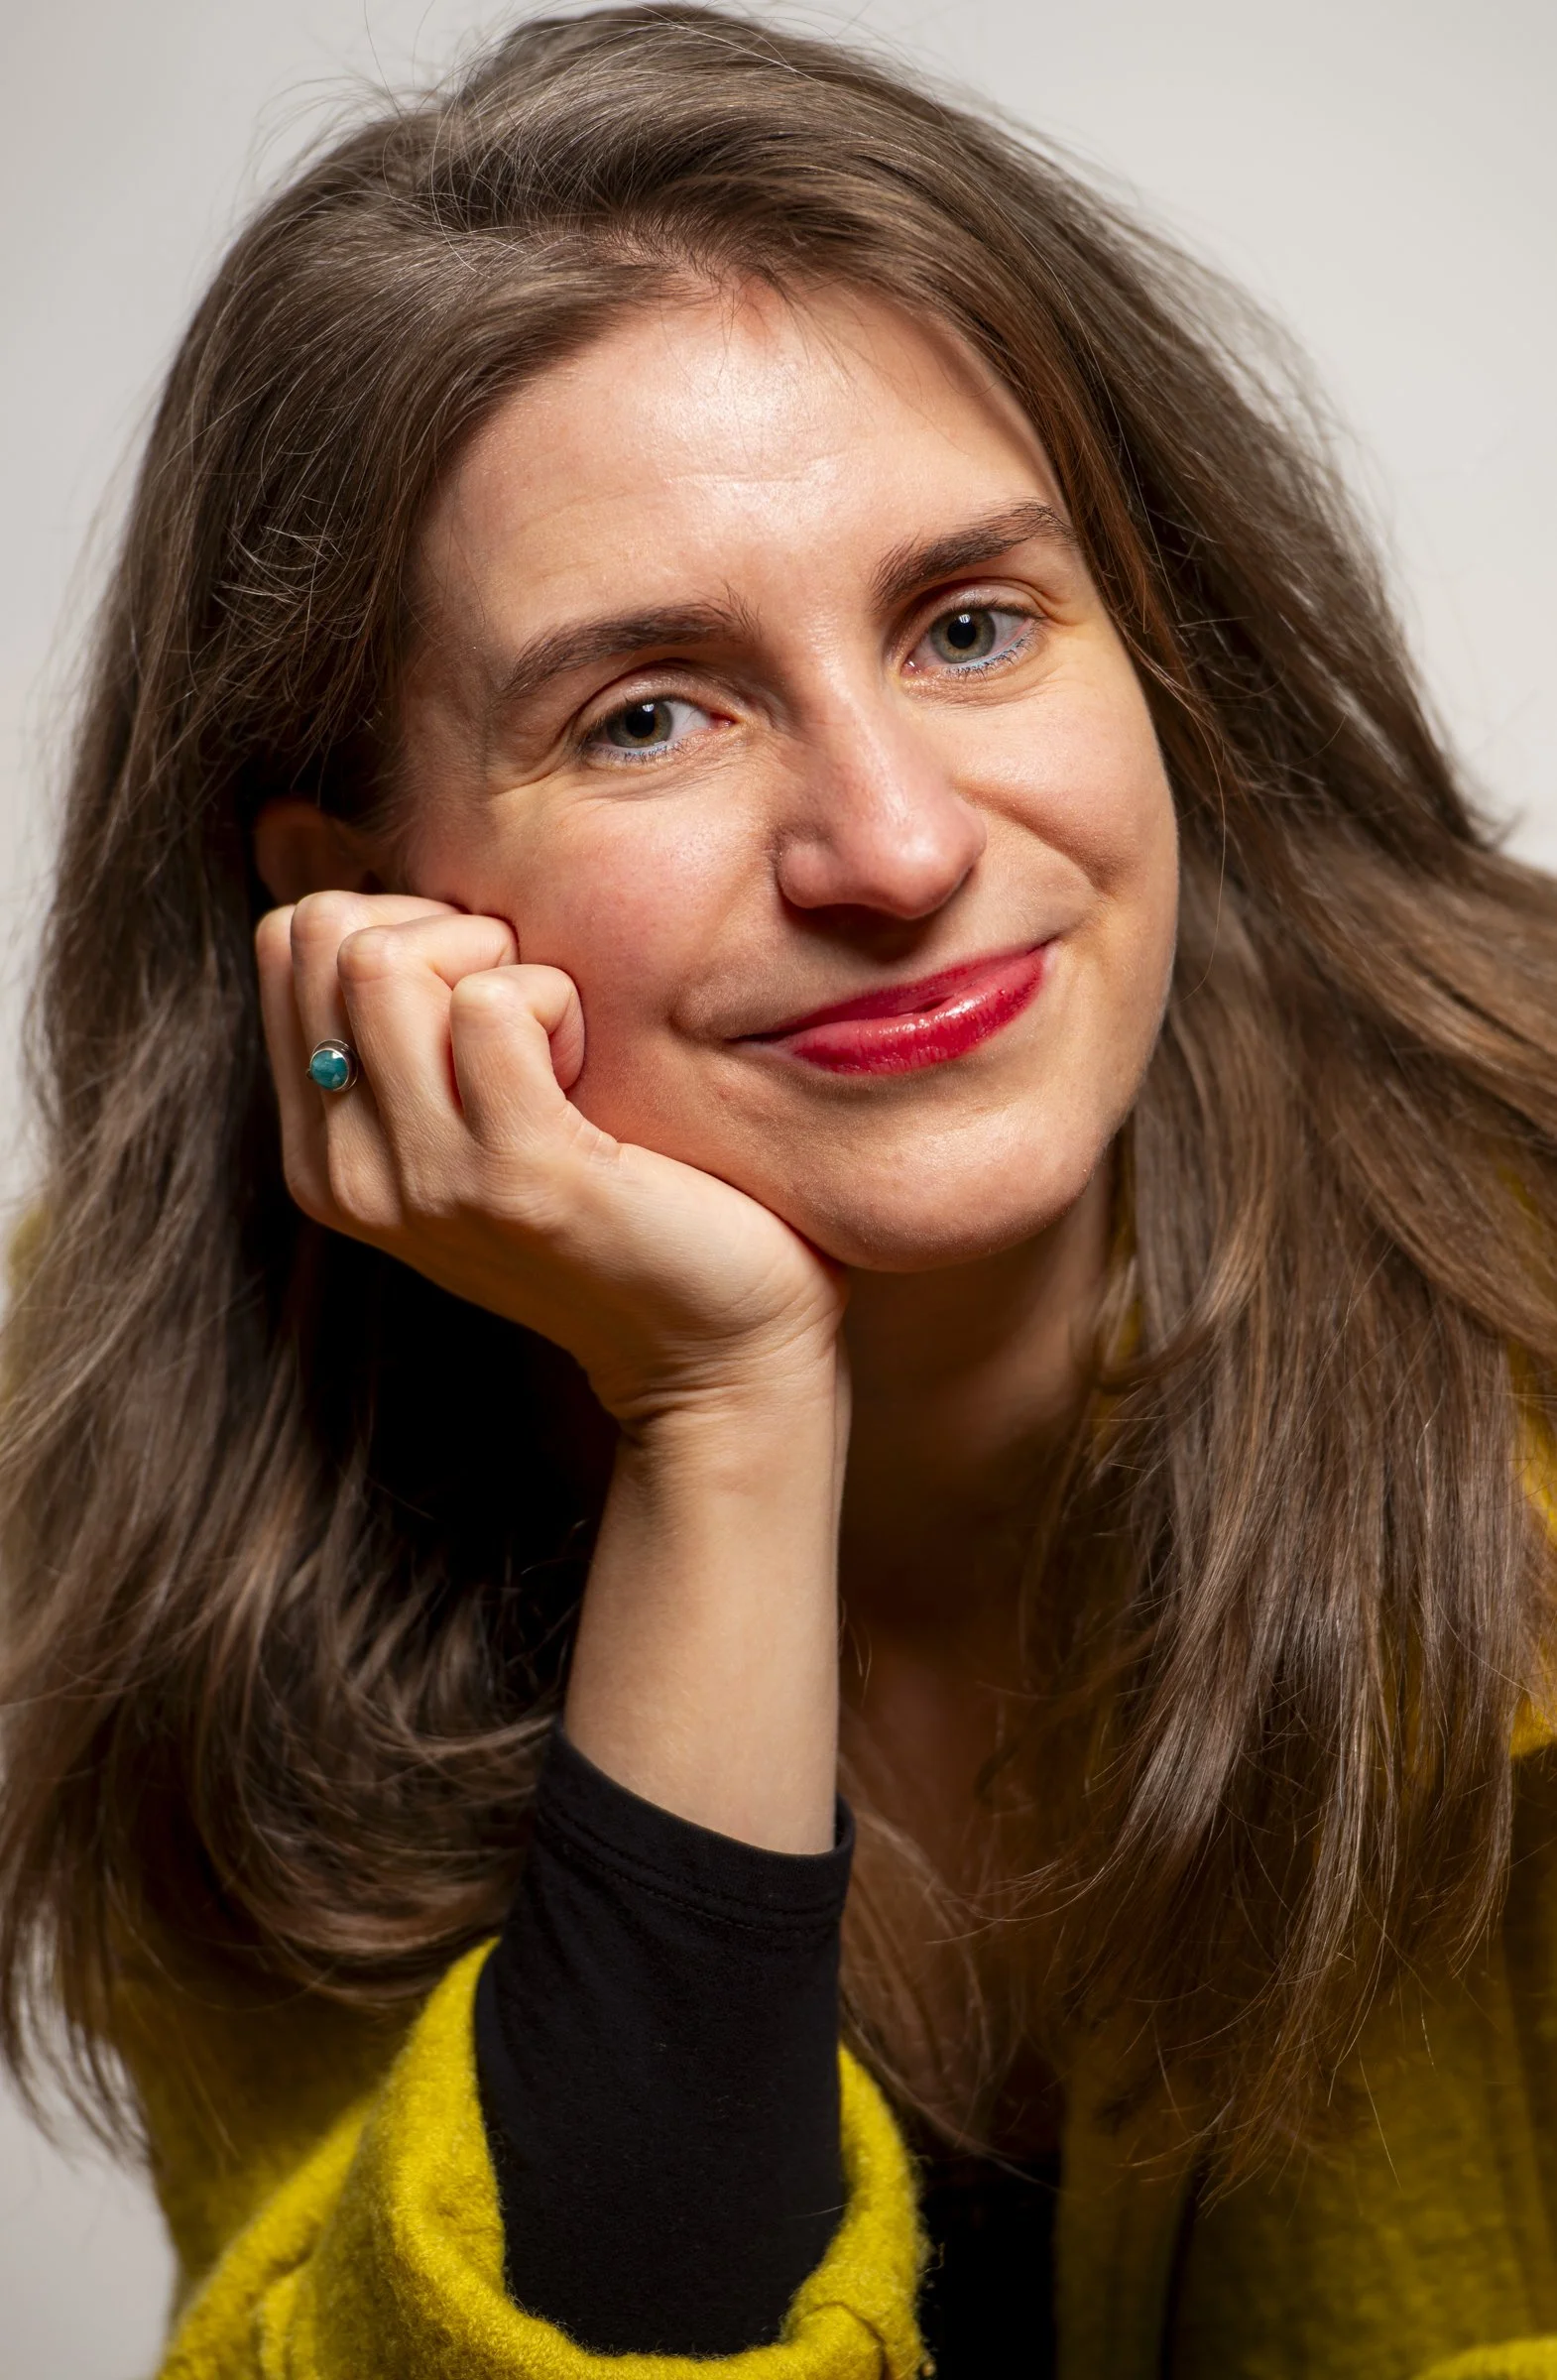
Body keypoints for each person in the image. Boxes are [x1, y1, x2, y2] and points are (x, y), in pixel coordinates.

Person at [3, 7, 1557, 2375]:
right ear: (355, 901)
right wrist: (721, 1412)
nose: (895, 848)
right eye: (647, 713)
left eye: (969, 625)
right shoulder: (162, 1465)